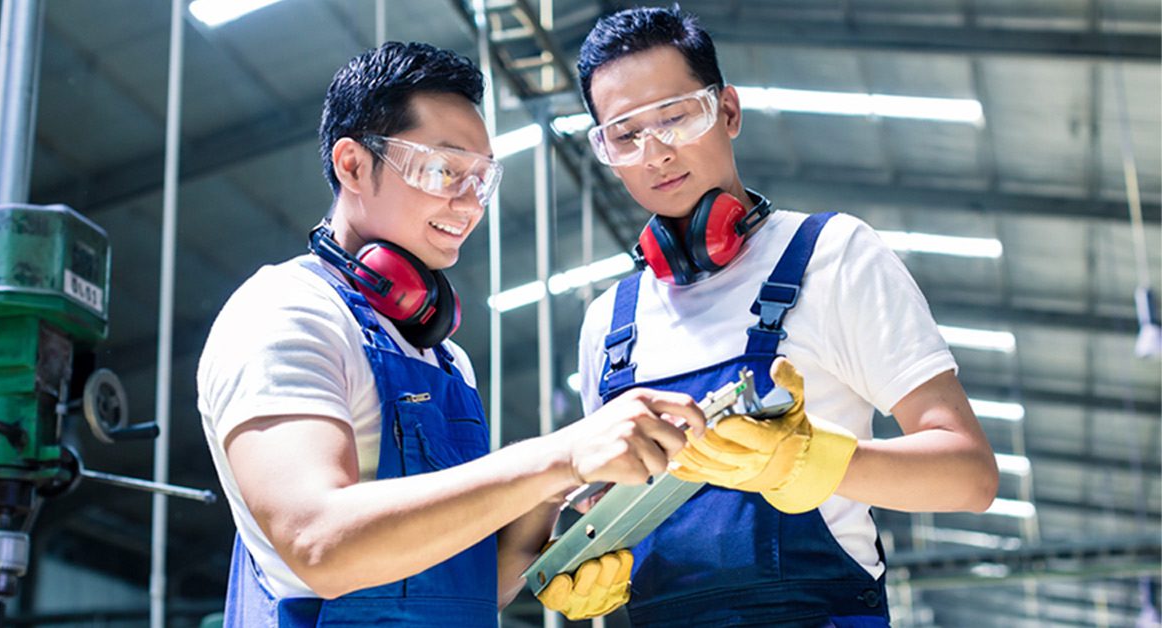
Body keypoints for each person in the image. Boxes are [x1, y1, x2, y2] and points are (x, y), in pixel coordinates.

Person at [196, 41, 706, 627]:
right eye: (443, 169)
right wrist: (559, 456)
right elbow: (321, 544)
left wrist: (553, 504)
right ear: (353, 165)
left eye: (481, 179)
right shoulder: (286, 312)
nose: (468, 205)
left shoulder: (446, 360)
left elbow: (459, 586)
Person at [571, 7, 1000, 626]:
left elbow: (970, 477)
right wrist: (587, 554)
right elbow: (615, 499)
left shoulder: (834, 256)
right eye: (625, 134)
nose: (655, 153)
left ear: (729, 112)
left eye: (675, 117)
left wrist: (814, 462)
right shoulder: (610, 323)